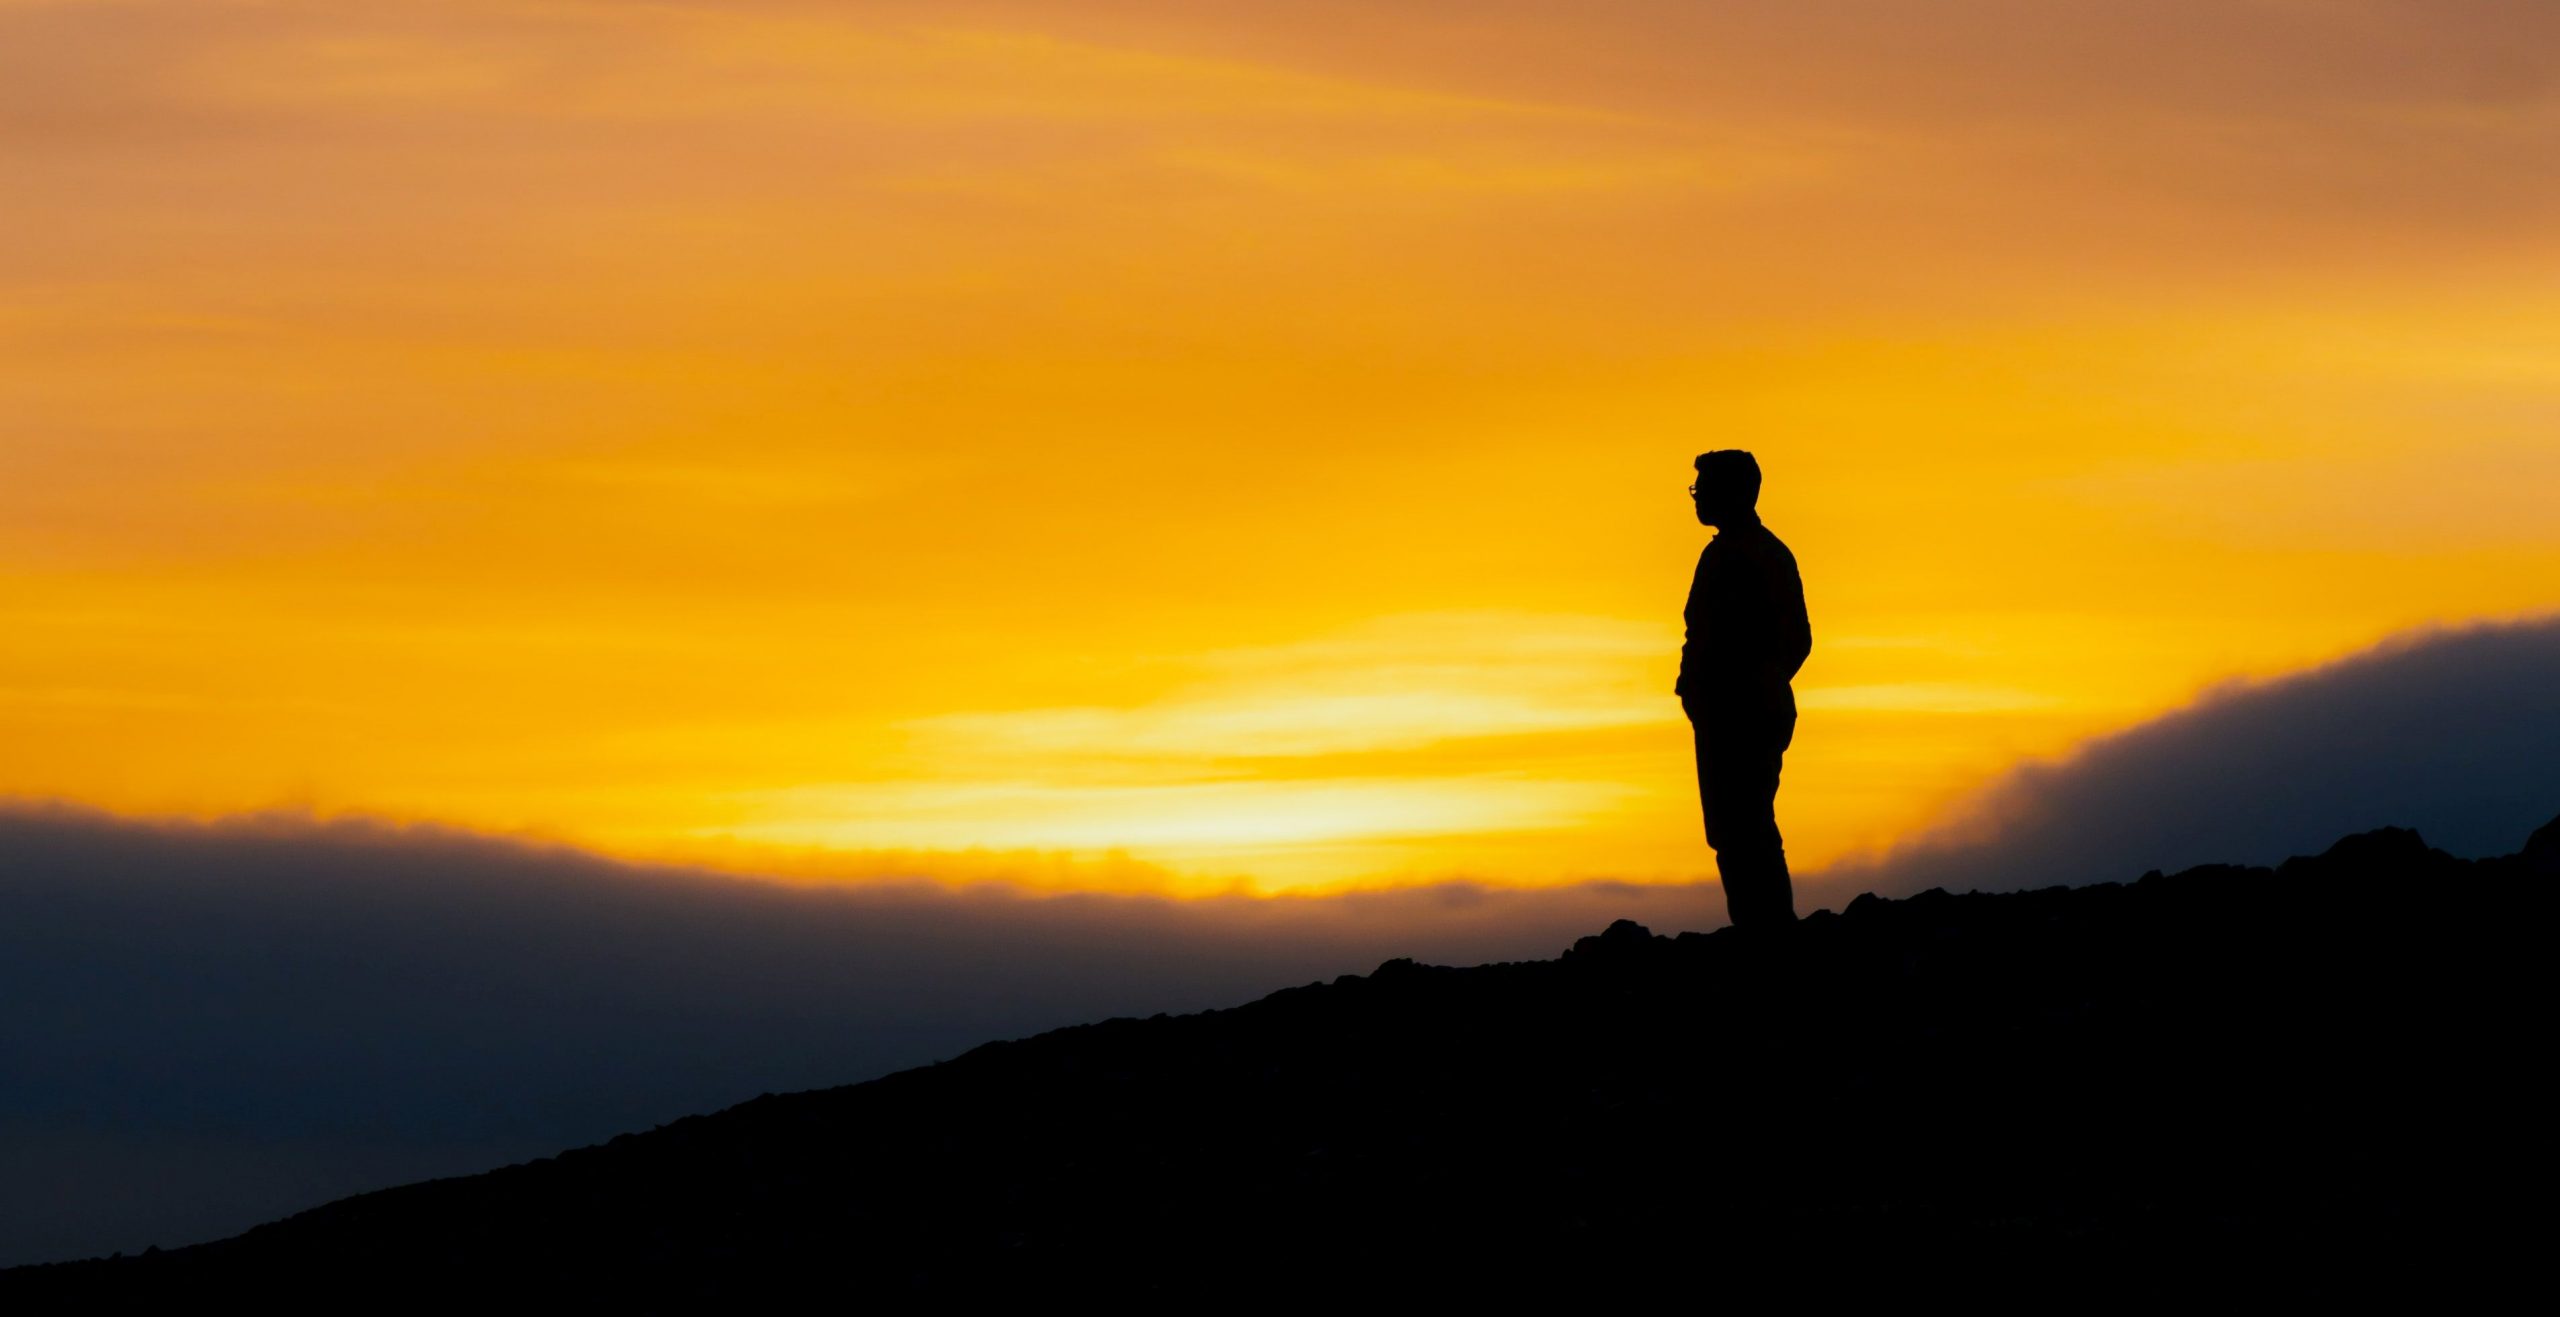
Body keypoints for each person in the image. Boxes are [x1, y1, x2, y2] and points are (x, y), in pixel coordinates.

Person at [1678, 450, 1811, 928]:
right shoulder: (1725, 553)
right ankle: (1759, 929)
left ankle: (1769, 932)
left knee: (1746, 825)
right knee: (1733, 828)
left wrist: (1751, 686)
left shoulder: (1755, 554)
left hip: (1744, 714)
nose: (1696, 499)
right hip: (1722, 713)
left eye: (1704, 488)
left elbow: (1796, 639)